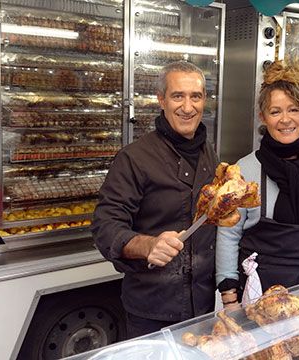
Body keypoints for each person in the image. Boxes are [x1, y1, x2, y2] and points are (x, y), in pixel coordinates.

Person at [92, 61, 219, 338]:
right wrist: (147, 244)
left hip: (203, 302)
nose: (188, 107)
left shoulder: (210, 154)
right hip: (153, 308)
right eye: (178, 96)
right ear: (161, 100)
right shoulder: (134, 158)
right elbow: (105, 225)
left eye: (195, 96)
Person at [215, 61, 299, 308]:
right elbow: (228, 235)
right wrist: (229, 297)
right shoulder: (244, 169)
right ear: (263, 117)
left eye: (294, 109)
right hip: (259, 293)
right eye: (275, 111)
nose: (285, 120)